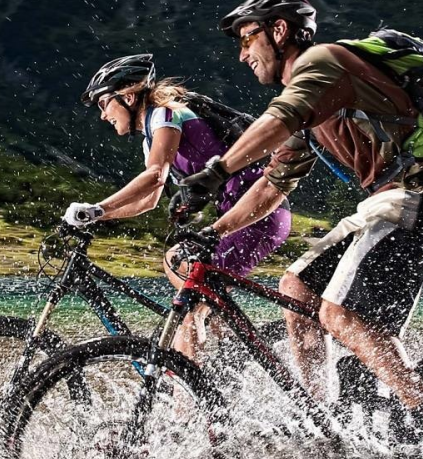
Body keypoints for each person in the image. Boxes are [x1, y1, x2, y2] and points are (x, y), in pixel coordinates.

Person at [174, 0, 423, 434]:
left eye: (247, 38)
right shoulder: (312, 104)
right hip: (386, 202)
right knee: (296, 290)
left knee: (339, 314)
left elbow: (279, 119)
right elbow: (273, 184)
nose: (241, 54)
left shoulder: (322, 63)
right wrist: (214, 232)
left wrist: (217, 171)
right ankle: (322, 420)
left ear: (279, 30)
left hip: (419, 193)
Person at [63, 54, 292, 360]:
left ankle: (192, 391)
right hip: (245, 216)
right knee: (193, 287)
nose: (104, 115)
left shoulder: (165, 114)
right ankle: (221, 351)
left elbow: (154, 176)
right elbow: (149, 199)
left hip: (258, 213)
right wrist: (97, 217)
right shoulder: (152, 133)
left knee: (180, 272)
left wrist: (97, 208)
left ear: (128, 96)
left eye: (105, 103)